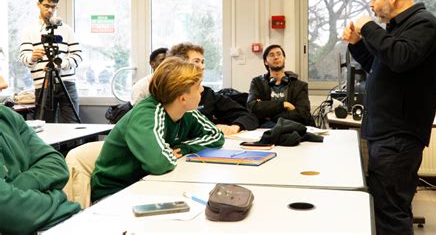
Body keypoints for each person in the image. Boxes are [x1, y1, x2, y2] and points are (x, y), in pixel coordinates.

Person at [342, 0, 436, 235]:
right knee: (386, 208)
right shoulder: (397, 29)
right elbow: (379, 66)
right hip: (385, 134)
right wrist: (357, 44)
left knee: (391, 215)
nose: (372, 4)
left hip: (398, 137)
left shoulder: (424, 24)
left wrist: (367, 26)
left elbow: (399, 58)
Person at [91, 57, 225, 201]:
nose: (202, 90)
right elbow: (158, 163)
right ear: (183, 98)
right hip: (116, 193)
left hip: (147, 184)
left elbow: (216, 136)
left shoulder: (185, 110)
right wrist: (166, 153)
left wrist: (185, 148)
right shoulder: (147, 114)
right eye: (198, 86)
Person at [132, 42, 259, 135]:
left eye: (203, 62)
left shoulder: (207, 93)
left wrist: (234, 127)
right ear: (180, 64)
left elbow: (249, 116)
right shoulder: (153, 92)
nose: (202, 67)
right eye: (196, 61)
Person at [0, 105, 81, 234]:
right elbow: (11, 214)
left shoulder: (6, 116)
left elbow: (56, 164)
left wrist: (14, 191)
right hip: (39, 221)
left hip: (55, 221)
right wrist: (57, 198)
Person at [19, 0, 83, 123]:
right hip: (43, 83)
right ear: (38, 5)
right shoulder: (29, 30)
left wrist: (61, 64)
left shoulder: (66, 29)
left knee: (73, 125)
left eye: (53, 7)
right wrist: (32, 57)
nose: (50, 10)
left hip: (67, 83)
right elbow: (24, 58)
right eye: (46, 6)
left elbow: (78, 56)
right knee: (45, 127)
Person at [247, 44, 314, 127]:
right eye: (271, 55)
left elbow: (303, 114)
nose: (276, 57)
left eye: (279, 54)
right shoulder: (257, 83)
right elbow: (252, 107)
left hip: (293, 128)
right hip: (265, 130)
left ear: (284, 58)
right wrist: (284, 105)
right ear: (265, 61)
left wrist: (268, 114)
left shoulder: (299, 86)